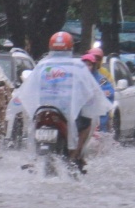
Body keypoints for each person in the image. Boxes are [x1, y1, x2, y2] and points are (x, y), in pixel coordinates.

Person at [17, 32, 113, 171]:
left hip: (43, 112)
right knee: (88, 122)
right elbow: (91, 90)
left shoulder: (42, 65)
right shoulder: (78, 66)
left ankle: (33, 158)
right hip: (67, 116)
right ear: (71, 47)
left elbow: (28, 91)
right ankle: (74, 156)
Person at [81, 53, 115, 132]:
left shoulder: (101, 79)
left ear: (94, 66)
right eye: (84, 65)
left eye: (89, 65)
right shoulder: (77, 79)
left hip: (98, 115)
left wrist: (101, 93)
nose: (86, 67)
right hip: (81, 113)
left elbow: (110, 92)